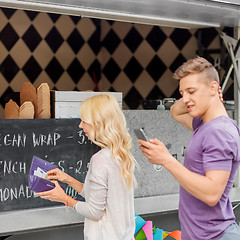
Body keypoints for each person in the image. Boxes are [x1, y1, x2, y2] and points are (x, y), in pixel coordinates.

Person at [138, 56, 240, 240]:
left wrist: (167, 160)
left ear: (213, 87)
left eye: (191, 91)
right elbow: (175, 111)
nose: (185, 99)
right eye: (182, 93)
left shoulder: (218, 132)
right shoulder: (204, 125)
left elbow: (211, 194)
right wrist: (205, 95)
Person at [36, 94, 137, 240]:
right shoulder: (120, 154)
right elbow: (98, 198)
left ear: (98, 123)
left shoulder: (100, 159)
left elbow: (94, 211)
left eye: (84, 121)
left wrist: (64, 198)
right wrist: (67, 179)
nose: (80, 125)